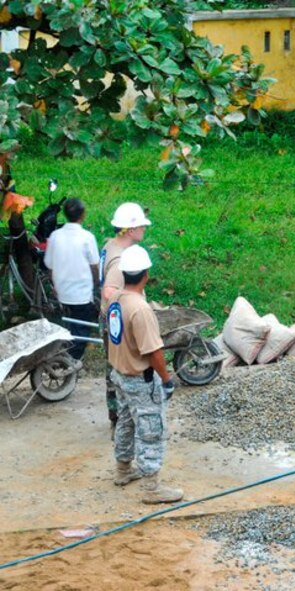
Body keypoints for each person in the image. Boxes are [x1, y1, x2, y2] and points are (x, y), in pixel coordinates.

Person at [106, 245, 182, 504]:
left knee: (126, 421)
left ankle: (123, 470)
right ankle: (152, 488)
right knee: (150, 428)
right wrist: (167, 378)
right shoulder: (140, 309)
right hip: (141, 380)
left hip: (119, 373)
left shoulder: (115, 299)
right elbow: (154, 351)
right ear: (146, 274)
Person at [100, 203, 152, 431]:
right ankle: (121, 418)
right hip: (118, 320)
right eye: (141, 225)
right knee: (121, 368)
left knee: (115, 367)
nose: (144, 229)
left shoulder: (110, 245)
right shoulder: (120, 260)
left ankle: (120, 417)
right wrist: (131, 309)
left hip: (113, 317)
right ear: (130, 230)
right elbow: (109, 291)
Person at [43, 198, 99, 360]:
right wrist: (96, 282)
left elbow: (49, 266)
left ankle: (66, 352)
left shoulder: (55, 236)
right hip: (81, 293)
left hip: (62, 291)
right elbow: (94, 265)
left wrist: (55, 284)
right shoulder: (87, 237)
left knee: (70, 324)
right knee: (82, 328)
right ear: (83, 215)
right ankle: (72, 359)